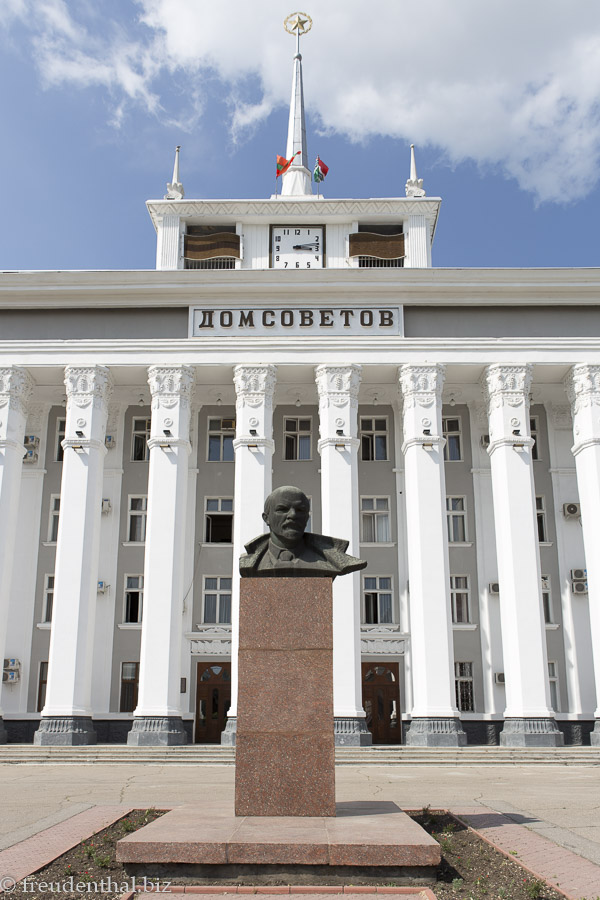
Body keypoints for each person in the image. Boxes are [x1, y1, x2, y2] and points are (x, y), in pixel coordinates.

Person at [239, 485, 367, 579]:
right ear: (266, 518)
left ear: (307, 517)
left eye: (300, 510)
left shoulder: (330, 561)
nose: (293, 515)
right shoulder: (250, 562)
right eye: (282, 509)